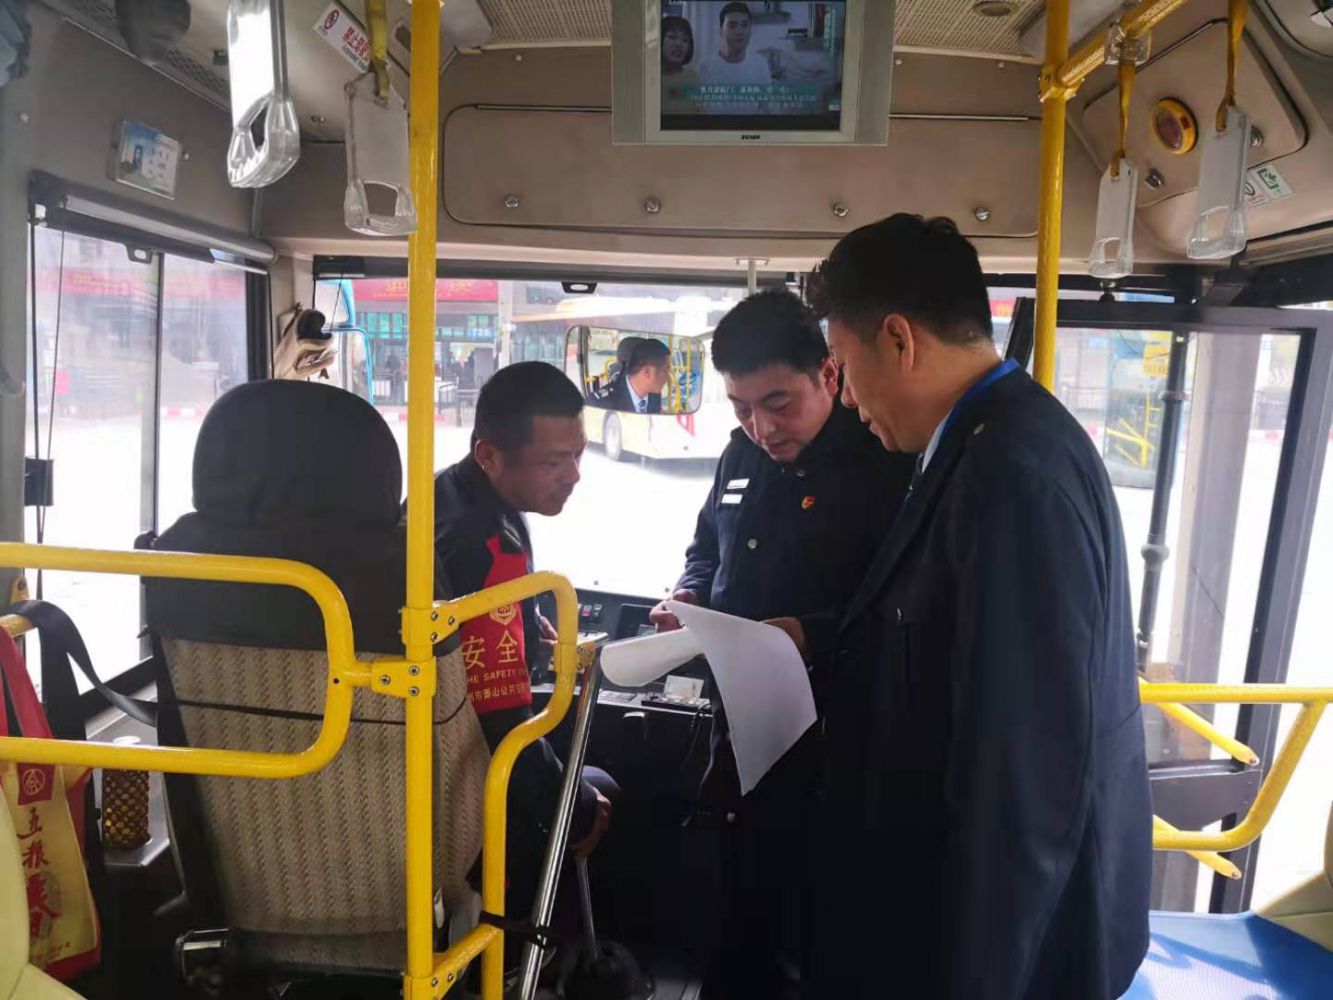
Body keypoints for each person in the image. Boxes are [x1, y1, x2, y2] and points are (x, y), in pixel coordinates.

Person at [792, 214, 1152, 999]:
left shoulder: (1008, 474)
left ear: (898, 340)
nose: (844, 397)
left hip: (1003, 949)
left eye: (842, 366)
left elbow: (1023, 774)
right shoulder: (987, 438)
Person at [649, 289, 915, 998]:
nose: (762, 427)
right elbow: (707, 547)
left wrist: (810, 634)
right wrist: (690, 596)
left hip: (835, 737)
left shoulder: (883, 462)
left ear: (828, 373)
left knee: (815, 919)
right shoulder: (739, 455)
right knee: (736, 899)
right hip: (739, 720)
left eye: (778, 403)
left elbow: (906, 605)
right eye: (741, 408)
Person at [431, 362, 616, 956]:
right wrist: (576, 805)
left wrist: (523, 628)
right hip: (465, 784)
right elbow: (505, 734)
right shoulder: (490, 546)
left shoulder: (441, 496)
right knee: (597, 790)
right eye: (554, 461)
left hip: (417, 761)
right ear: (488, 455)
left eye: (579, 454)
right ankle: (532, 963)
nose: (575, 476)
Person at [695, 2, 773, 87]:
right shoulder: (706, 66)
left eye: (744, 25)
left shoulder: (760, 64)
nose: (739, 31)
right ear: (721, 31)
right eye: (732, 26)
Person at [598, 337, 670, 414]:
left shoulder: (653, 395)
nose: (668, 378)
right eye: (665, 370)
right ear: (647, 372)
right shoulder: (602, 403)